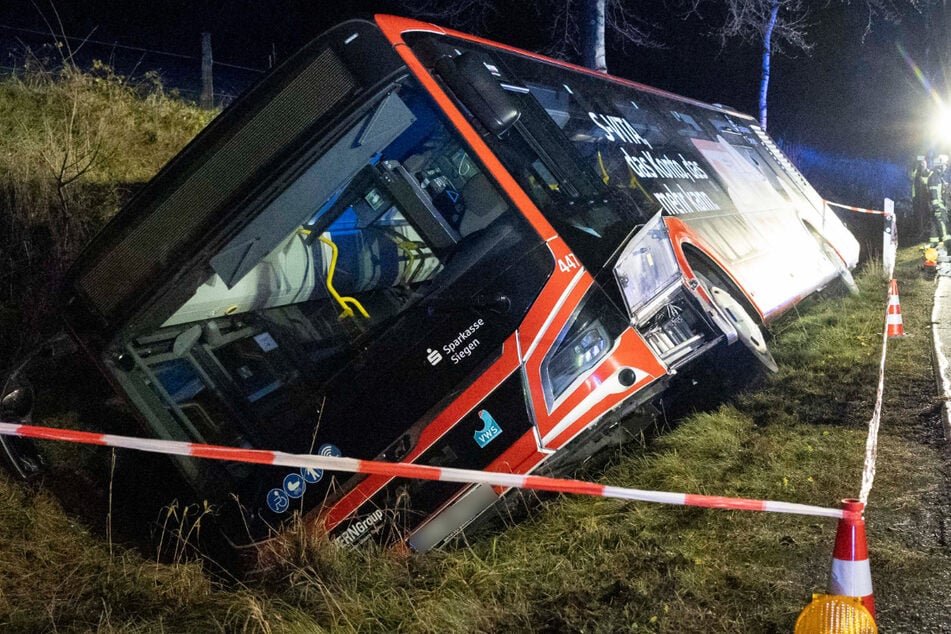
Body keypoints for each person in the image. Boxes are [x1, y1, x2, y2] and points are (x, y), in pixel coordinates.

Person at [928, 154, 951, 249]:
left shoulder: (938, 177)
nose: (946, 167)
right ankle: (948, 244)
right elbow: (934, 194)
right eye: (945, 165)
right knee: (943, 223)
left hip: (937, 205)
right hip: (938, 205)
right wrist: (937, 207)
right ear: (940, 165)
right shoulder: (934, 177)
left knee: (935, 224)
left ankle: (934, 242)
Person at [912, 155, 932, 242]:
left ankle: (927, 232)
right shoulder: (916, 172)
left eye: (923, 163)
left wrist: (923, 180)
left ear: (926, 163)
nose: (922, 165)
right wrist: (917, 167)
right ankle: (919, 231)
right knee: (918, 215)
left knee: (926, 214)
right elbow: (911, 177)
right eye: (920, 163)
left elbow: (931, 180)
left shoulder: (929, 172)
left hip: (926, 197)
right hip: (917, 197)